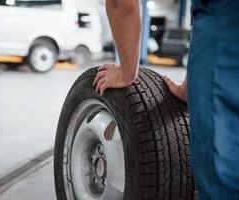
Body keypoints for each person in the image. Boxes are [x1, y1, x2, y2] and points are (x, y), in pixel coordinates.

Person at [94, 0, 239, 199]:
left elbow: (122, 4)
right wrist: (194, 85)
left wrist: (126, 73)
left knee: (224, 182)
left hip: (227, 40)